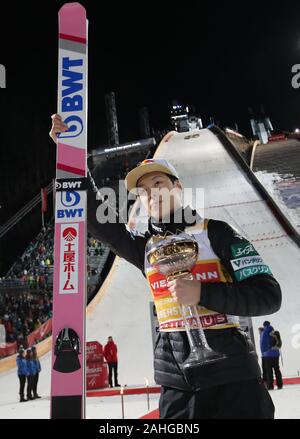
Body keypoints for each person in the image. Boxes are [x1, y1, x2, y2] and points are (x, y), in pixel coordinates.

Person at [50, 116, 282, 419]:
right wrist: (70, 153)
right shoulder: (144, 246)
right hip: (178, 388)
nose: (151, 193)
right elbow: (95, 216)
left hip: (234, 379)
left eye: (158, 184)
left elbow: (268, 295)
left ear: (178, 187)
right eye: (143, 191)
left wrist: (202, 292)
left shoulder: (218, 233)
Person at [261, 321, 283, 390]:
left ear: (264, 325)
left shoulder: (265, 332)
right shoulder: (274, 332)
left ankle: (270, 386)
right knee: (277, 369)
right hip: (276, 354)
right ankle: (280, 385)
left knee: (269, 371)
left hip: (268, 355)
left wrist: (263, 353)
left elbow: (263, 345)